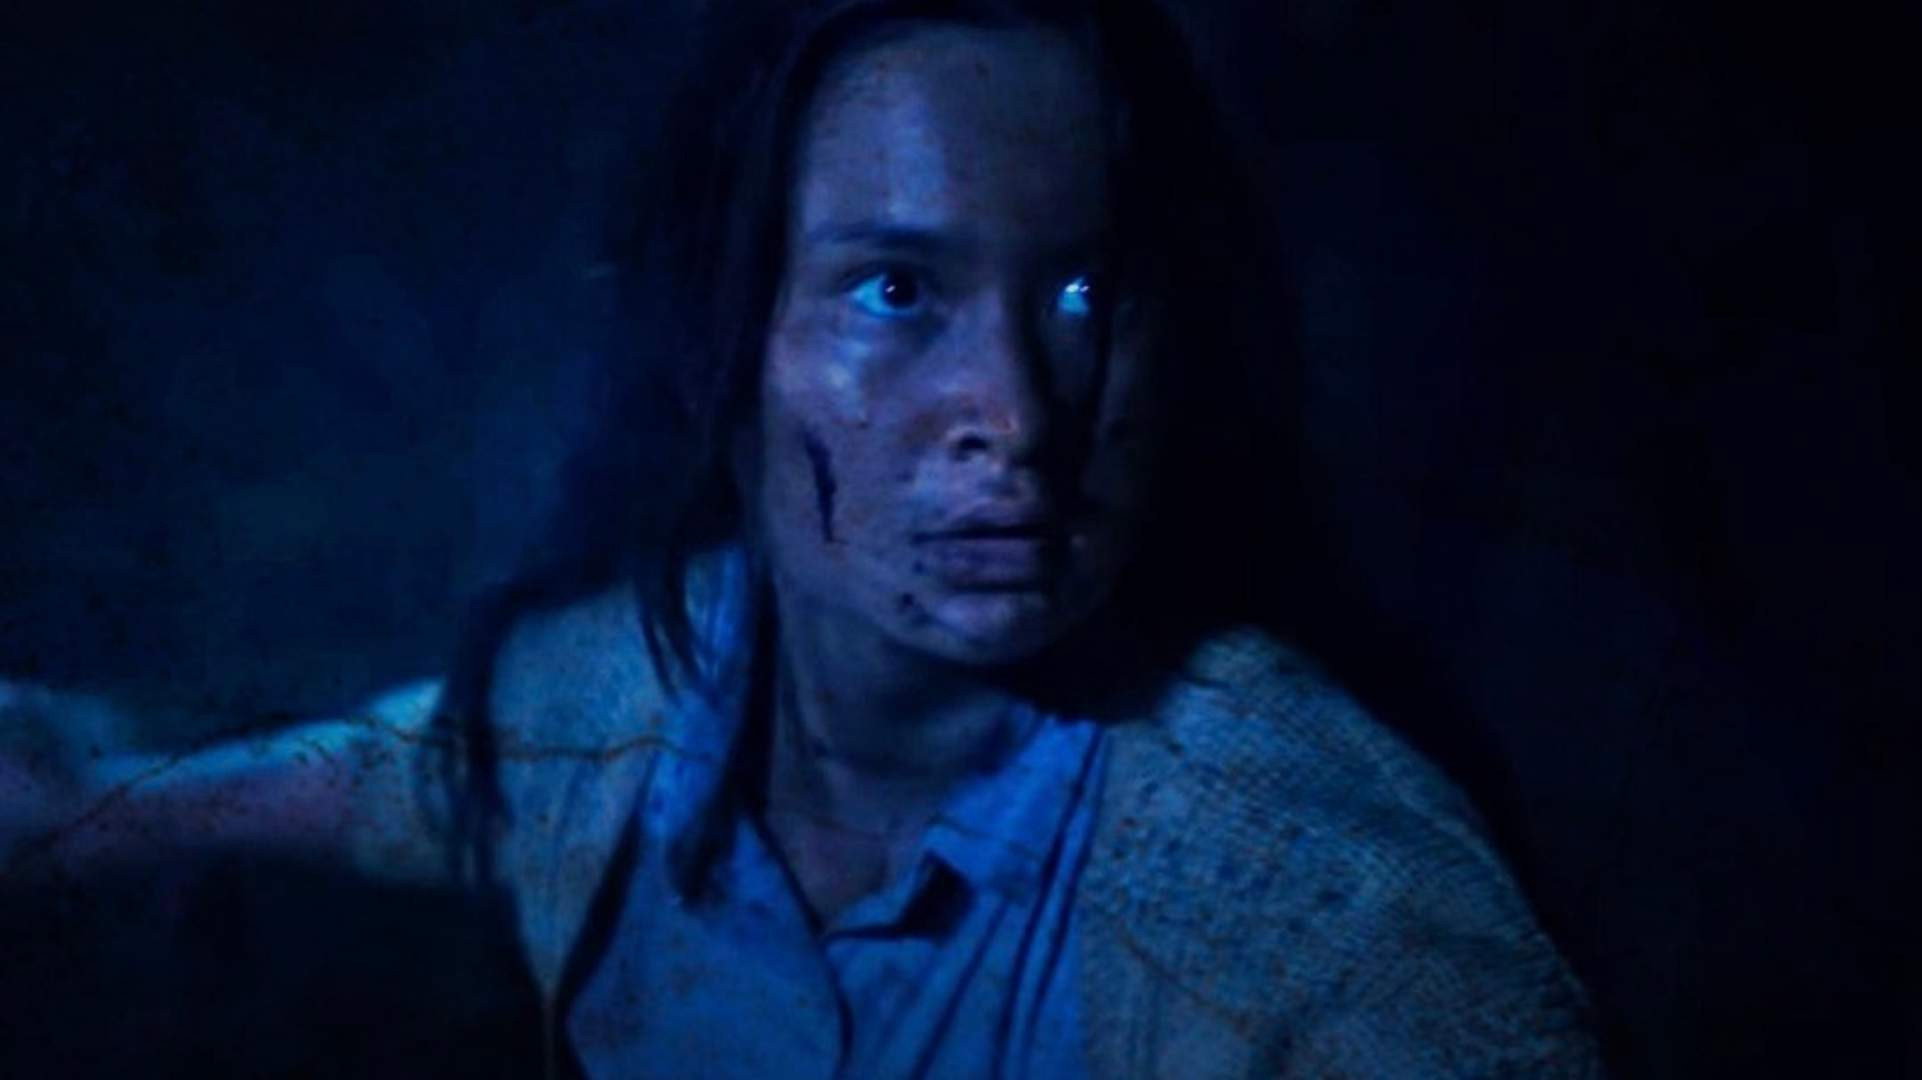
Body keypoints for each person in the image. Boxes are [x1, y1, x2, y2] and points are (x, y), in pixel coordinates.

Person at [5, 0, 1603, 1075]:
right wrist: (90, 803)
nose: (1014, 412)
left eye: (1083, 293)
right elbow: (415, 773)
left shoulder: (1334, 919)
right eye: (895, 291)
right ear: (728, 335)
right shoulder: (632, 691)